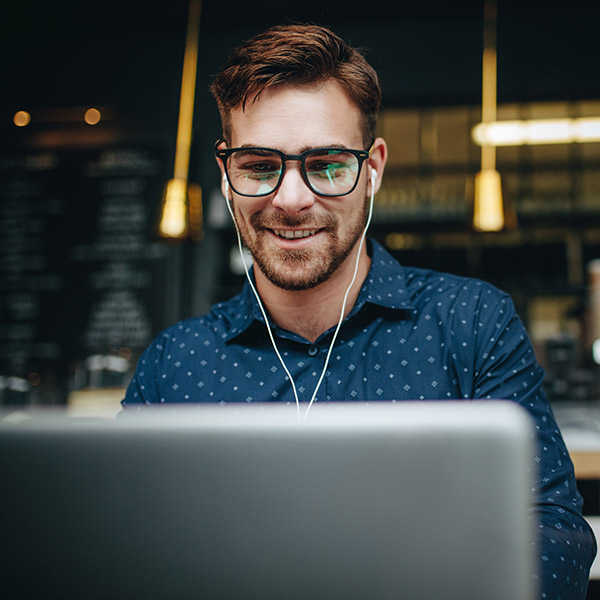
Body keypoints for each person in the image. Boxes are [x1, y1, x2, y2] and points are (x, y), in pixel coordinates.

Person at [122, 23, 596, 597]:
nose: (291, 199)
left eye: (326, 164)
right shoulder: (174, 365)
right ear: (226, 174)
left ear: (372, 169)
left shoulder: (471, 323)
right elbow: (119, 553)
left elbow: (555, 531)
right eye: (257, 165)